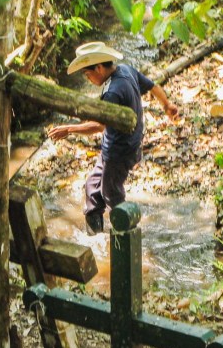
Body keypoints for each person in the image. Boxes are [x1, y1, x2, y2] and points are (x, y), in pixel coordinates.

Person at [48, 42, 178, 234]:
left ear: (99, 68)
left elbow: (100, 125)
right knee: (93, 187)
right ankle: (95, 237)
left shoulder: (113, 92)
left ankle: (127, 236)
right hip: (124, 144)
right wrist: (167, 105)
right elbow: (152, 86)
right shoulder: (126, 70)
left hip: (119, 151)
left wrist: (69, 129)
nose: (88, 79)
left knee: (111, 194)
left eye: (88, 74)